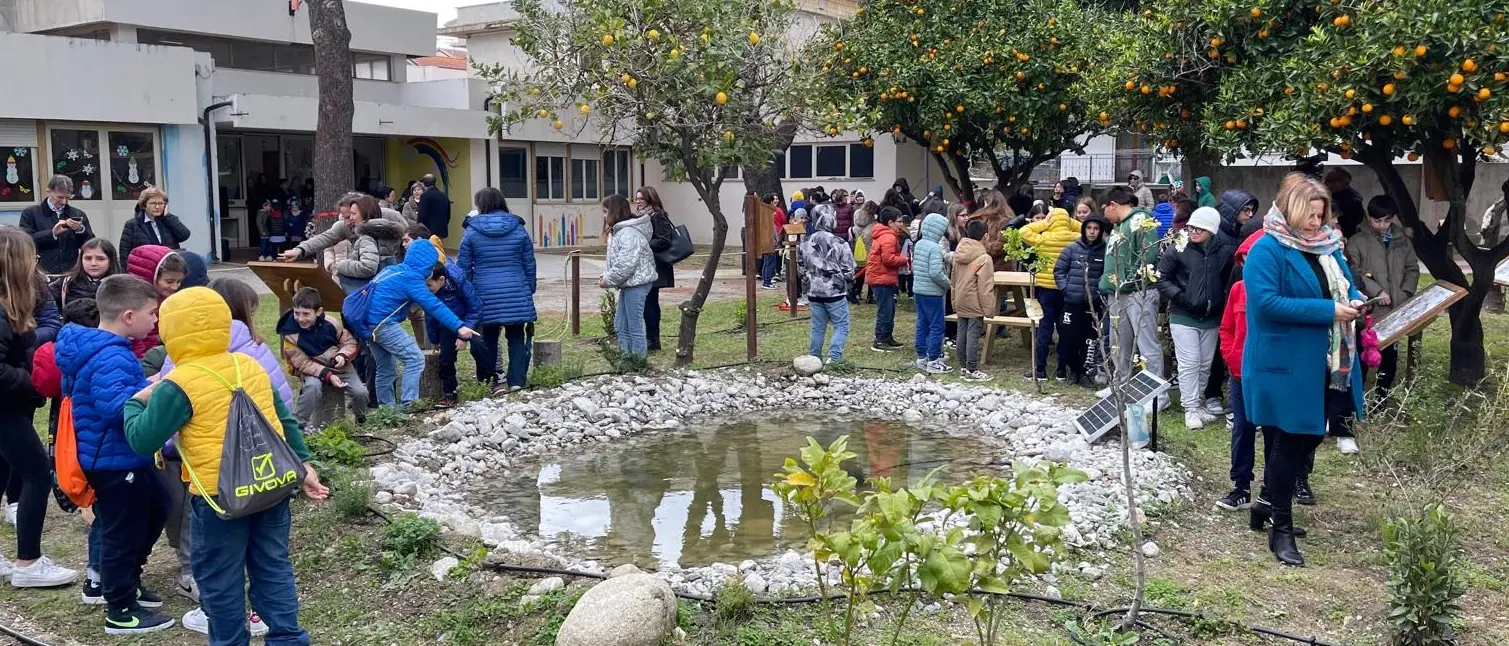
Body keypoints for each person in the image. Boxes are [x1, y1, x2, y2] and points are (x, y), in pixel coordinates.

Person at [123, 286, 328, 645]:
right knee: (273, 567)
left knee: (220, 579)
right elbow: (282, 419)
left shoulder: (177, 383)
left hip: (220, 499)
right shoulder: (247, 364)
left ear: (171, 332)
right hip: (271, 486)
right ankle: (287, 638)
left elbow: (143, 440)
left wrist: (135, 403)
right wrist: (305, 466)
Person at [1243, 173, 1365, 566]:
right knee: (1290, 442)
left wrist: (1357, 299)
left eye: (1321, 215)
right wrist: (1329, 311)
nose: (1316, 223)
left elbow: (1344, 287)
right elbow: (1266, 304)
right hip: (1283, 363)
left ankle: (1264, 503)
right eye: (1310, 216)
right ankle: (1280, 528)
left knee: (1308, 437)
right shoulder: (1268, 249)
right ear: (1290, 211)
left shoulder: (1327, 248)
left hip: (1326, 362)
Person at [56, 275, 173, 634]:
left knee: (157, 505)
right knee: (123, 530)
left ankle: (128, 581)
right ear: (127, 315)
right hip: (112, 460)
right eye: (151, 314)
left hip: (121, 457)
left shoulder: (106, 349)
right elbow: (115, 409)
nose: (155, 321)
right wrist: (156, 387)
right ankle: (121, 610)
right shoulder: (110, 355)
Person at [0, 226, 78, 588]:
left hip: (13, 403)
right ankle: (28, 563)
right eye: (29, 255)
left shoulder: (21, 296)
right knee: (35, 473)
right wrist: (31, 380)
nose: (36, 261)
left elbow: (50, 323)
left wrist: (28, 339)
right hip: (6, 406)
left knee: (3, 468)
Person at [362, 238, 477, 409]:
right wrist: (459, 326)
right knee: (414, 359)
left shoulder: (394, 269)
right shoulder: (413, 279)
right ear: (428, 266)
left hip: (364, 323)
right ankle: (409, 406)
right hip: (381, 323)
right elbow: (435, 306)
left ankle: (386, 411)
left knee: (386, 367)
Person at [1158, 207, 1235, 429]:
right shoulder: (1178, 248)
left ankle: (1199, 402)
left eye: (1199, 228)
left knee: (1204, 364)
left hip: (1211, 317)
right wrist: (1181, 298)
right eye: (1191, 226)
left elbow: (1228, 280)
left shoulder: (1223, 252)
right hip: (1183, 315)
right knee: (1189, 362)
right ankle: (1190, 408)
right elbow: (1162, 278)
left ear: (1211, 230)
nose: (1192, 231)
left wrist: (1220, 302)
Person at [159, 278, 294, 405]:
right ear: (244, 314)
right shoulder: (254, 350)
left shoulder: (179, 352)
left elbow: (167, 401)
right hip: (258, 427)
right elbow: (282, 400)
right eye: (251, 314)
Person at [458, 187, 536, 393]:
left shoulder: (471, 231)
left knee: (488, 336)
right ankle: (517, 380)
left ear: (481, 205)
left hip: (484, 290)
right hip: (516, 288)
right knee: (516, 335)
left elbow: (464, 267)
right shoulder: (519, 228)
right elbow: (529, 263)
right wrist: (530, 289)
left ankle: (490, 379)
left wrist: (468, 294)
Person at [1345, 195, 1419, 407]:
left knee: (1389, 358)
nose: (1382, 225)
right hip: (1370, 310)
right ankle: (1357, 399)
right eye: (1377, 220)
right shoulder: (1357, 241)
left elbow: (1412, 269)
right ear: (1369, 218)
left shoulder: (1402, 240)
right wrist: (1378, 291)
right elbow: (1354, 272)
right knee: (1363, 356)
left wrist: (1404, 293)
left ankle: (1381, 399)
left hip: (1395, 310)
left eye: (1386, 220)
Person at [1217, 229, 1265, 511]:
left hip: (1269, 373)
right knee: (1242, 428)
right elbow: (1227, 328)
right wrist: (1231, 356)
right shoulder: (1238, 290)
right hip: (1239, 372)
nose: (1249, 267)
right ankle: (1241, 486)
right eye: (1244, 261)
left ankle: (1275, 489)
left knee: (1274, 432)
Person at [1098, 187, 1166, 388]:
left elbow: (1148, 255)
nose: (1104, 215)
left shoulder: (1141, 221)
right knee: (1119, 343)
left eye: (1105, 209)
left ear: (1113, 205)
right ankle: (1120, 386)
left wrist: (1128, 280)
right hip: (1118, 293)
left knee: (1146, 344)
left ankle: (1157, 394)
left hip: (1137, 292)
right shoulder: (1120, 226)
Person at [277, 287, 368, 426]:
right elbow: (302, 363)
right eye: (297, 313)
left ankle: (360, 418)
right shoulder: (289, 334)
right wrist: (327, 375)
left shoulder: (331, 323)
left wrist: (342, 355)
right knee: (312, 387)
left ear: (318, 311)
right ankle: (299, 424)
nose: (300, 318)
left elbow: (349, 342)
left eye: (306, 314)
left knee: (360, 391)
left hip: (339, 365)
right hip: (311, 368)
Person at [280, 193, 402, 293]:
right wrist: (300, 249)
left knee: (413, 311)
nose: (348, 221)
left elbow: (410, 234)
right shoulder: (345, 225)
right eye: (344, 217)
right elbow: (324, 238)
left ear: (363, 211)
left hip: (389, 273)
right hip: (366, 281)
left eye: (351, 215)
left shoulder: (390, 216)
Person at [1021, 207, 1082, 381]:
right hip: (1067, 289)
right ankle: (1061, 370)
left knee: (1044, 329)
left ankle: (1040, 371)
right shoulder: (1075, 239)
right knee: (1065, 330)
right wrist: (1071, 222)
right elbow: (1084, 229)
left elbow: (1024, 231)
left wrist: (1045, 222)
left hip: (1045, 289)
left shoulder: (1043, 238)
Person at [600, 195, 658, 359]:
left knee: (634, 326)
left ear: (614, 211)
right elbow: (617, 262)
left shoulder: (628, 233)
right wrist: (606, 275)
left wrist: (608, 279)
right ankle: (627, 358)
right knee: (621, 325)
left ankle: (638, 361)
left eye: (605, 212)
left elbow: (626, 264)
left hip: (636, 283)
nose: (604, 216)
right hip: (629, 283)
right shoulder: (620, 231)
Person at [1055, 213, 1109, 388]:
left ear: (1101, 231)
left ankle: (1083, 373)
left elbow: (1107, 274)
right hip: (1072, 303)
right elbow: (1059, 271)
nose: (1092, 232)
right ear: (1083, 229)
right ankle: (1067, 368)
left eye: (1096, 229)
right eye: (1089, 228)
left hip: (1093, 305)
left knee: (1089, 340)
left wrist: (1099, 292)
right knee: (1068, 337)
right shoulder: (1072, 248)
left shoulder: (1105, 250)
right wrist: (1066, 289)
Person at [798, 203, 855, 364]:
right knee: (841, 324)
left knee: (817, 326)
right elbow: (849, 269)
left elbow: (801, 269)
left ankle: (814, 357)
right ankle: (834, 358)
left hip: (813, 291)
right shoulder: (840, 242)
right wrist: (848, 281)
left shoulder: (805, 242)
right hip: (834, 291)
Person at [330, 195, 405, 294]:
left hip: (370, 293)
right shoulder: (388, 235)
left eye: (353, 213)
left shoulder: (367, 237)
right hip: (387, 289)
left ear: (365, 213)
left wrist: (341, 266)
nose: (351, 218)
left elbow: (367, 267)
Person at [21, 175, 96, 274]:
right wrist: (52, 233)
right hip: (41, 272)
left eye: (68, 198)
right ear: (48, 192)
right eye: (60, 197)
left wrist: (80, 230)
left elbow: (90, 245)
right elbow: (24, 242)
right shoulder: (31, 213)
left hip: (70, 272)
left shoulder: (78, 214)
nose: (64, 202)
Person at [124, 245, 187, 360]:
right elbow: (135, 339)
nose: (175, 286)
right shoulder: (133, 304)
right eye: (169, 281)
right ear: (150, 276)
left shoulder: (167, 298)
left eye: (179, 281)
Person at [951, 220, 995, 381]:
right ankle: (972, 368)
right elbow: (985, 287)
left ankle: (963, 366)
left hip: (961, 298)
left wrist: (954, 301)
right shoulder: (984, 258)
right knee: (973, 335)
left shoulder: (958, 253)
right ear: (985, 236)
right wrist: (990, 309)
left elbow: (953, 279)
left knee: (961, 332)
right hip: (975, 301)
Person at [637, 188, 675, 354]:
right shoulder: (643, 217)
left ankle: (653, 339)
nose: (638, 202)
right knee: (648, 302)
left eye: (641, 199)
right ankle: (651, 338)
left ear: (650, 200)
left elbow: (664, 240)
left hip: (656, 266)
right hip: (647, 265)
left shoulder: (658, 216)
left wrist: (644, 244)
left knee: (649, 302)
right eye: (637, 199)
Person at [911, 212, 950, 374]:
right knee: (937, 326)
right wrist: (948, 283)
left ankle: (922, 357)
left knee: (922, 323)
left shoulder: (919, 244)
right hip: (932, 292)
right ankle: (934, 360)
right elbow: (935, 272)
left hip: (918, 290)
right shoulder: (934, 248)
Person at [866, 207, 909, 352]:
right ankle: (880, 339)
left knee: (889, 309)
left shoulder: (885, 234)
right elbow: (888, 259)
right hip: (880, 278)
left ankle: (887, 337)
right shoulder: (888, 237)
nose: (901, 224)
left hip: (883, 277)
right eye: (899, 221)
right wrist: (904, 260)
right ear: (890, 222)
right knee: (885, 310)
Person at [118, 187, 191, 262]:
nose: (157, 207)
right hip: (145, 268)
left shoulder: (169, 220)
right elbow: (124, 253)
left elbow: (184, 235)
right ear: (144, 205)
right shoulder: (132, 225)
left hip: (169, 267)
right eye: (153, 203)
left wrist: (167, 217)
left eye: (160, 203)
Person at [51, 238, 120, 309]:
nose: (93, 263)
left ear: (111, 260)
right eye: (88, 258)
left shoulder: (122, 285)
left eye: (100, 259)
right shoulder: (66, 283)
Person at [1323, 168, 1367, 238]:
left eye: (1329, 181)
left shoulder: (1351, 201)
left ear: (1340, 183)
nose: (1324, 183)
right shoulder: (1330, 195)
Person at [849, 201, 877, 304]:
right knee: (871, 273)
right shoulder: (873, 225)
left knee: (858, 273)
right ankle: (870, 295)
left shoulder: (856, 218)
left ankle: (857, 292)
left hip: (858, 252)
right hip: (870, 251)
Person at [417, 174, 453, 240]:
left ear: (423, 184)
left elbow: (422, 215)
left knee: (428, 249)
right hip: (441, 230)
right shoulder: (444, 196)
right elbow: (448, 214)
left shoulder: (424, 196)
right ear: (436, 183)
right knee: (438, 248)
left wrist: (419, 228)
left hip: (428, 231)